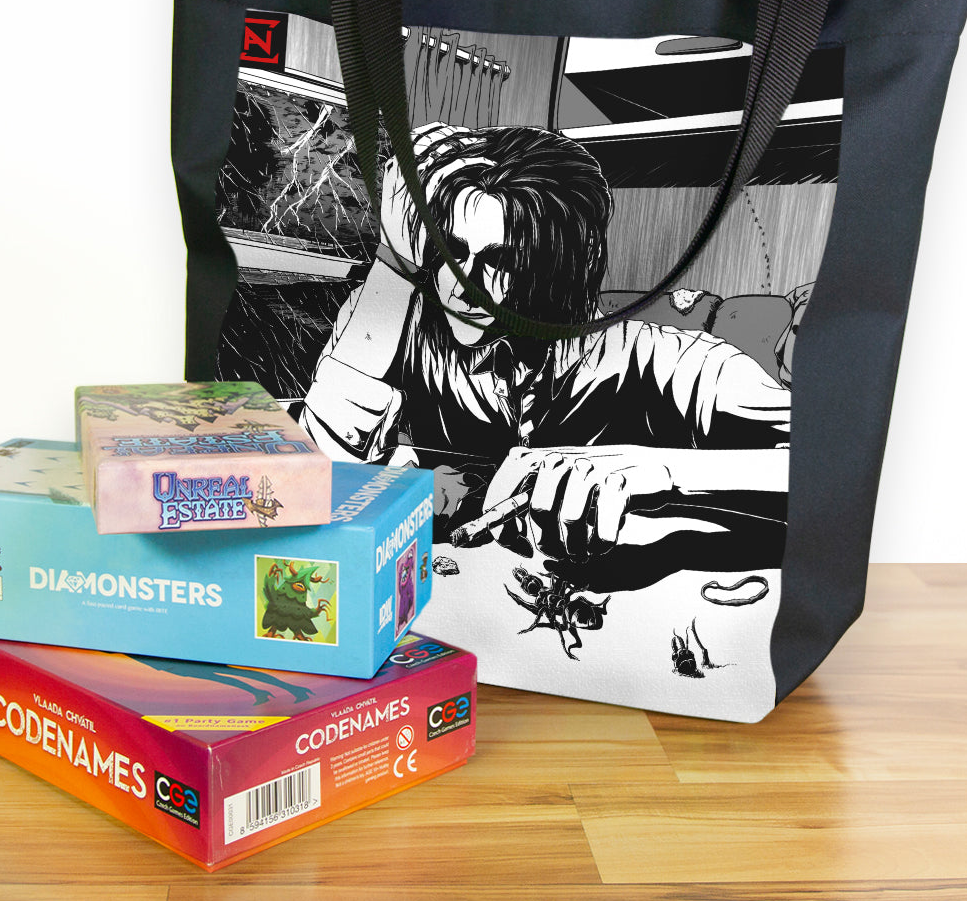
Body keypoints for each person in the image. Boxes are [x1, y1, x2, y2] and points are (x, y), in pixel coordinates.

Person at [300, 123, 791, 572]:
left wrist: (663, 472)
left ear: (560, 269)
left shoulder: (659, 359)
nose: (461, 287)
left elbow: (822, 465)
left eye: (501, 261)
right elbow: (305, 487)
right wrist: (393, 261)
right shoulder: (393, 328)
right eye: (453, 250)